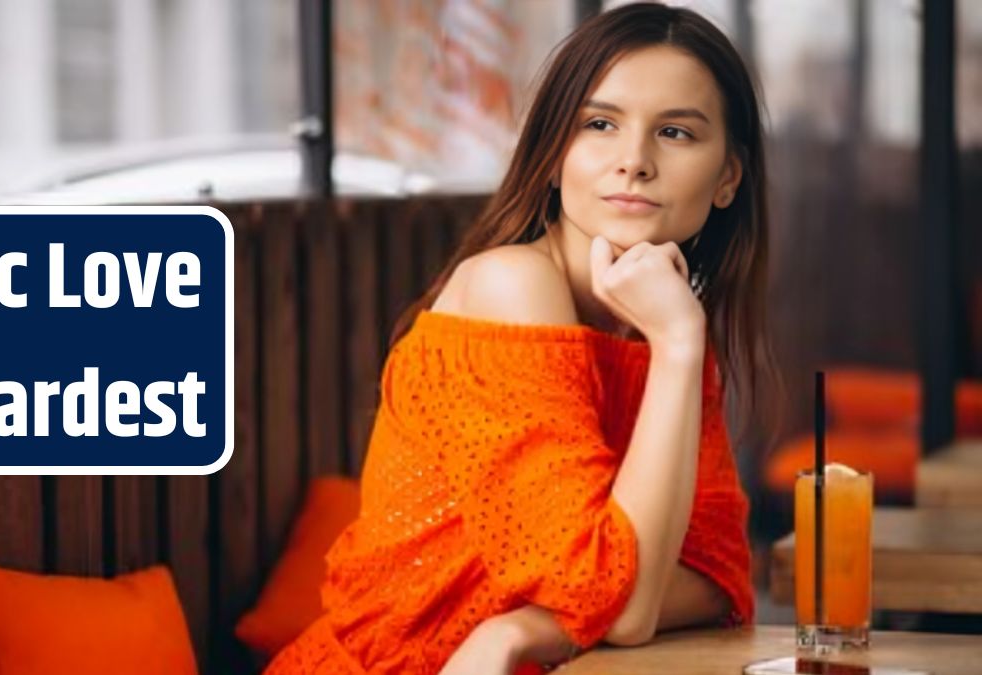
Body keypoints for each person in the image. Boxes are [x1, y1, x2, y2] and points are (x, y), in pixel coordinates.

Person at [266, 3, 777, 673]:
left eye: (676, 133)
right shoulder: (513, 286)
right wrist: (681, 344)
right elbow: (621, 606)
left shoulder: (662, 316)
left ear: (728, 177)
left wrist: (522, 630)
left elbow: (719, 579)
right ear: (555, 156)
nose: (634, 161)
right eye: (599, 124)